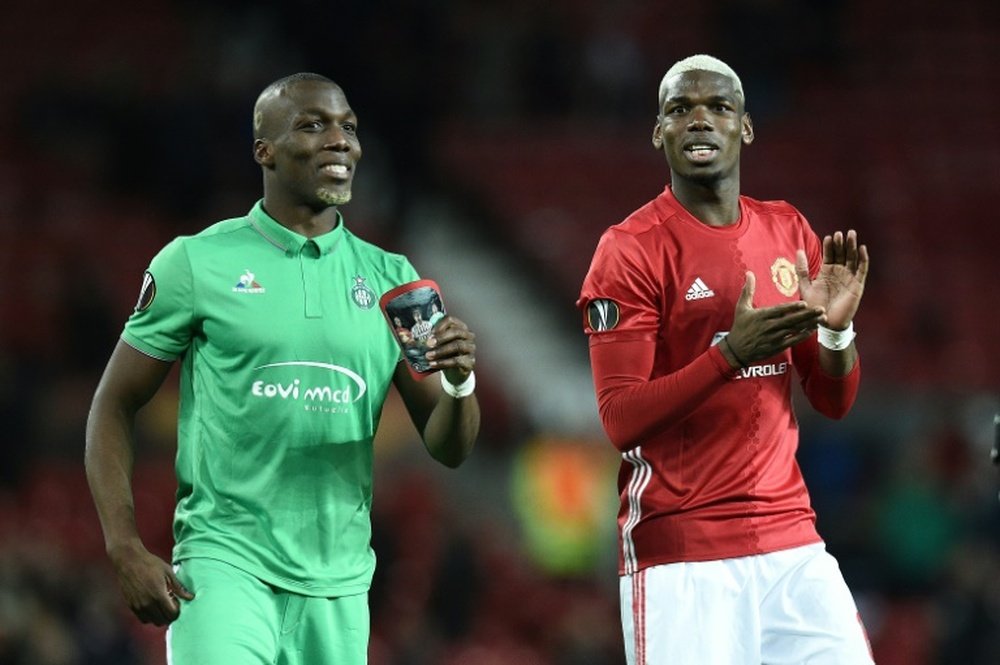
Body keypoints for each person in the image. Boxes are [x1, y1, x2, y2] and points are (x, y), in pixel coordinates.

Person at [84, 72, 480, 665]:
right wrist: (123, 546)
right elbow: (113, 405)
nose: (339, 141)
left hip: (339, 588)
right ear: (262, 150)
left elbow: (450, 447)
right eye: (313, 126)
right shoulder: (197, 263)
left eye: (348, 128)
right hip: (224, 566)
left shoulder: (396, 282)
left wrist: (458, 381)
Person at [577, 55, 873, 664]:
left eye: (718, 107)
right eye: (680, 110)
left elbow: (832, 401)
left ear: (746, 127)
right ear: (659, 132)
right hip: (683, 552)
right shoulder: (629, 250)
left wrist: (837, 334)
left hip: (792, 542)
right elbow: (620, 418)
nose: (700, 121)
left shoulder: (789, 231)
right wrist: (732, 353)